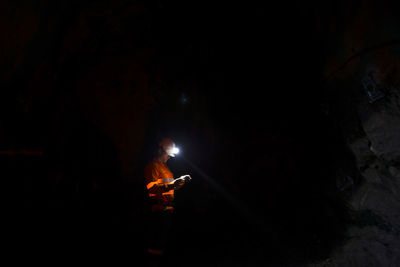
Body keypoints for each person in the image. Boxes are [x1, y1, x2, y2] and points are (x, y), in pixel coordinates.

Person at [144, 137, 191, 262]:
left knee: (162, 243)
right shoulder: (153, 167)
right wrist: (174, 184)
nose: (169, 157)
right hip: (158, 210)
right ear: (160, 151)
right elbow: (152, 188)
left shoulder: (166, 169)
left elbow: (169, 189)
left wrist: (180, 182)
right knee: (155, 243)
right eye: (167, 154)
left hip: (167, 210)